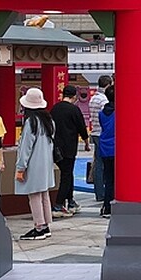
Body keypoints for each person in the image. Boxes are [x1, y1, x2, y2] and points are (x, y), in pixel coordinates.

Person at [14, 87, 55, 240]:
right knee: (44, 194)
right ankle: (46, 225)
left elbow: (26, 147)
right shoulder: (49, 121)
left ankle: (39, 226)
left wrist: (20, 168)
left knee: (34, 195)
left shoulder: (31, 122)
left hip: (33, 164)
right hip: (46, 164)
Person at [50, 85, 88, 216]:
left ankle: (71, 201)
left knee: (67, 173)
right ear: (74, 96)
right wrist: (86, 142)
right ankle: (58, 204)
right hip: (69, 147)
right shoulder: (74, 110)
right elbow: (82, 128)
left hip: (55, 148)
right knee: (66, 175)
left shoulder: (55, 109)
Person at [88, 75, 111, 202]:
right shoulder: (104, 100)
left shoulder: (93, 99)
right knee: (103, 165)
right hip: (103, 134)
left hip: (95, 132)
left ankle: (99, 192)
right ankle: (102, 192)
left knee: (98, 163)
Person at [97, 85, 116, 217]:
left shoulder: (101, 113)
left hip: (104, 147)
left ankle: (106, 207)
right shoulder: (120, 112)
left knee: (108, 179)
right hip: (116, 147)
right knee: (117, 179)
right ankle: (112, 206)